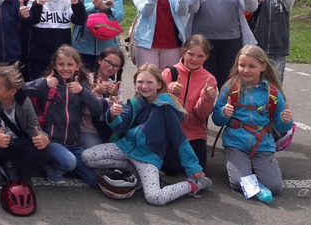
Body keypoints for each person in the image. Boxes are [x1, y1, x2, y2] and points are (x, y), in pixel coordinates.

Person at [82, 63, 213, 206]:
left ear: (159, 84)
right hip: (125, 148)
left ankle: (194, 185)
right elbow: (120, 126)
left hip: (148, 158)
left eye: (150, 82)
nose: (144, 86)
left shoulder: (166, 107)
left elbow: (179, 138)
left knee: (155, 197)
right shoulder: (134, 102)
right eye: (140, 82)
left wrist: (192, 165)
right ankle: (130, 167)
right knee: (87, 157)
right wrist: (113, 115)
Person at [212, 45, 293, 197]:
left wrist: (285, 120)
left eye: (252, 66)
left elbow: (281, 126)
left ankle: (256, 168)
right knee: (238, 183)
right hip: (236, 143)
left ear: (263, 66)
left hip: (263, 144)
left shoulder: (272, 92)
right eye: (242, 65)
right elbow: (217, 119)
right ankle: (244, 166)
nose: (246, 70)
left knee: (274, 187)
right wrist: (224, 113)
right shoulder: (230, 88)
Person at [25, 45, 102, 186]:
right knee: (69, 162)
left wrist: (82, 92)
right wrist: (42, 83)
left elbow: (98, 110)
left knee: (95, 180)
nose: (65, 68)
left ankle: (66, 165)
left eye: (70, 64)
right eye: (61, 64)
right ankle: (52, 166)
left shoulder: (80, 86)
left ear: (77, 66)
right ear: (54, 65)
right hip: (51, 141)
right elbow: (19, 90)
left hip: (74, 143)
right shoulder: (48, 83)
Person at [0, 64, 51, 189]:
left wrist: (44, 138)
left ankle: (12, 165)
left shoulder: (24, 102)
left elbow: (34, 129)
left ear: (12, 91)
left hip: (14, 144)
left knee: (45, 150)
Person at [186, 0, 257, 88]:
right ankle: (204, 109)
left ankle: (226, 109)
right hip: (202, 45)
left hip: (231, 43)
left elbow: (251, 7)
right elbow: (190, 8)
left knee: (229, 84)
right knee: (205, 86)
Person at [160, 35, 217, 175]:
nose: (194, 59)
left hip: (195, 132)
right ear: (183, 51)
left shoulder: (210, 79)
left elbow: (202, 114)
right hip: (170, 130)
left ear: (206, 57)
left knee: (198, 168)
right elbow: (155, 102)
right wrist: (169, 90)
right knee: (171, 169)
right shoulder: (169, 72)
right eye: (190, 54)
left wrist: (207, 98)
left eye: (200, 56)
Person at [25, 0, 86, 80]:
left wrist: (77, 5)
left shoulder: (66, 3)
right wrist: (38, 5)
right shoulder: (32, 2)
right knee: (40, 94)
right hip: (39, 61)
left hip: (62, 62)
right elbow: (32, 21)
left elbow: (79, 20)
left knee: (61, 94)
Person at [251, 0, 295, 83]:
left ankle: (276, 103)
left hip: (279, 47)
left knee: (276, 82)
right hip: (257, 46)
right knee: (256, 80)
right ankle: (257, 103)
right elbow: (249, 3)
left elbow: (289, 1)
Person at [81, 47, 126, 149]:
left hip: (108, 132)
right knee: (96, 155)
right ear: (100, 60)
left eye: (115, 66)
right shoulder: (86, 79)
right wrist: (96, 93)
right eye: (108, 62)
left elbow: (118, 118)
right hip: (87, 130)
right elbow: (85, 110)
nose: (110, 67)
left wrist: (114, 95)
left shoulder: (116, 87)